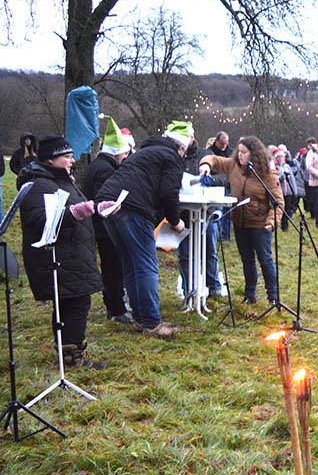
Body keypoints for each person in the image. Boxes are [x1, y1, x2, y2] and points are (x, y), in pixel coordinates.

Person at [94, 121, 191, 339]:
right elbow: (168, 192)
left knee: (130, 264)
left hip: (108, 204)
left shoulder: (144, 154)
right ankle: (152, 323)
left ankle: (141, 318)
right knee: (146, 266)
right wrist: (176, 221)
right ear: (181, 148)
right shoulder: (172, 157)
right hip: (132, 208)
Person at [17, 137, 105, 368]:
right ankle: (71, 356)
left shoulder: (62, 180)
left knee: (73, 302)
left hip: (73, 253)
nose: (72, 160)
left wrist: (96, 209)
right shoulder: (39, 184)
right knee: (76, 302)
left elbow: (75, 208)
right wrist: (74, 213)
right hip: (58, 257)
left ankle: (68, 352)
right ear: (51, 159)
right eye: (67, 157)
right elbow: (39, 220)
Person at [198, 136, 284, 306]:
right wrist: (206, 165)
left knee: (265, 259)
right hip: (239, 222)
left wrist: (272, 221)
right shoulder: (234, 165)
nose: (240, 155)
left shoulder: (267, 174)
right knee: (247, 259)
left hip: (260, 225)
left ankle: (273, 296)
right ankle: (249, 294)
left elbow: (278, 202)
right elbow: (214, 159)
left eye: (245, 153)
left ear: (254, 154)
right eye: (240, 152)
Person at [84, 123, 134, 323]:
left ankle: (114, 306)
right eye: (123, 154)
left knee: (111, 267)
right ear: (116, 153)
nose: (124, 158)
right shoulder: (105, 170)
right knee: (113, 268)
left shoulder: (99, 165)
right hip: (105, 228)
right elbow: (102, 199)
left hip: (101, 227)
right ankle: (116, 309)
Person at [274, 147, 305, 223]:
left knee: (288, 208)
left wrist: (295, 190)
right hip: (280, 191)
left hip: (288, 191)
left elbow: (292, 179)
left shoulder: (287, 166)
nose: (281, 158)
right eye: (280, 157)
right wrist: (281, 177)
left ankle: (285, 224)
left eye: (282, 156)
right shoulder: (275, 167)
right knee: (281, 208)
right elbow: (274, 179)